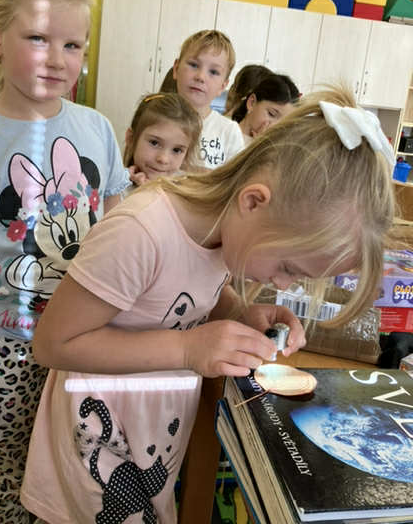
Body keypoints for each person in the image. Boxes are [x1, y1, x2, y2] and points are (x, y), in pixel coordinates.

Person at [21, 88, 395, 523]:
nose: (282, 284)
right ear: (252, 201)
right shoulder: (140, 232)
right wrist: (188, 348)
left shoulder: (222, 232)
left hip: (150, 430)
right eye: (288, 267)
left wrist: (239, 313)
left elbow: (194, 291)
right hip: (96, 440)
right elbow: (53, 344)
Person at [0, 0, 130, 524]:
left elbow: (121, 234)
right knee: (12, 486)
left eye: (73, 45)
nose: (58, 59)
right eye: (39, 38)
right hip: (6, 351)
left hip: (88, 337)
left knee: (85, 475)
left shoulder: (97, 128)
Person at [172, 30, 245, 169]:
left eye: (213, 72)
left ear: (223, 86)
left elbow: (236, 179)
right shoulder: (155, 117)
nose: (200, 77)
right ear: (176, 68)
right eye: (194, 65)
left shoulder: (229, 131)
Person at [124, 92, 202, 187]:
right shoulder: (115, 187)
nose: (163, 159)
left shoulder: (188, 190)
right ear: (131, 138)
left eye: (177, 150)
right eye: (154, 143)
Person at [231, 73, 300, 144]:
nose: (275, 126)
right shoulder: (228, 133)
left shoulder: (275, 148)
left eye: (283, 123)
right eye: (271, 114)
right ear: (251, 103)